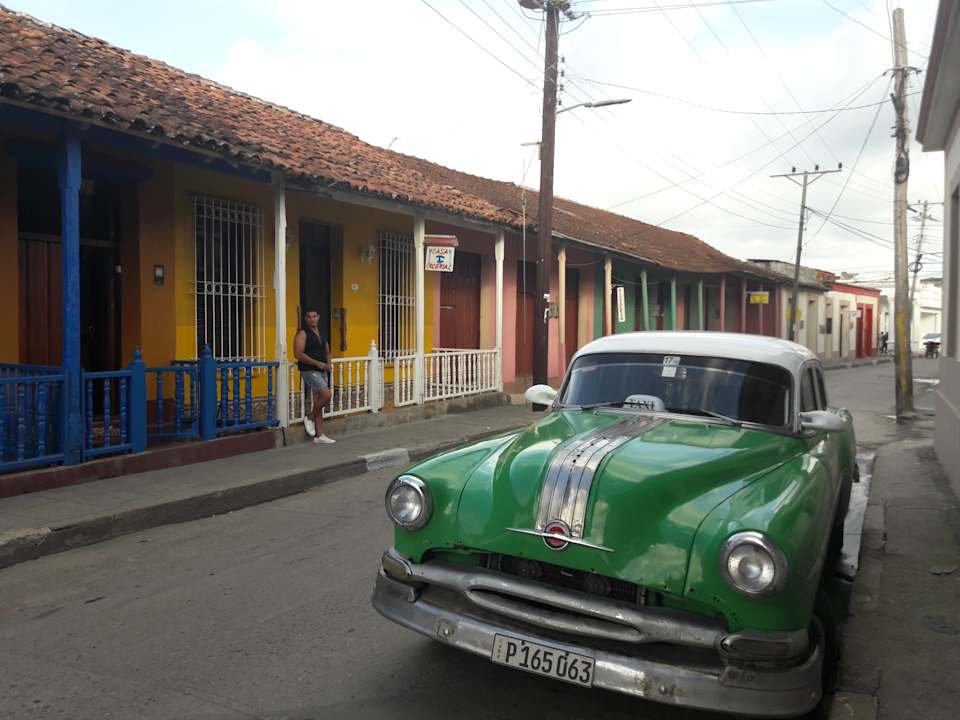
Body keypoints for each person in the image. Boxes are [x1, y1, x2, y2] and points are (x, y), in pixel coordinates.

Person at [294, 308, 335, 444]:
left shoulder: (322, 333)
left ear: (318, 317)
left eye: (314, 316)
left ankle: (319, 435)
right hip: (309, 370)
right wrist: (318, 363)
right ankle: (310, 418)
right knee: (326, 395)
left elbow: (327, 351)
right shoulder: (302, 333)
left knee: (319, 400)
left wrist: (328, 364)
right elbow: (298, 354)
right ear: (306, 319)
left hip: (322, 370)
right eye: (309, 317)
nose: (312, 319)